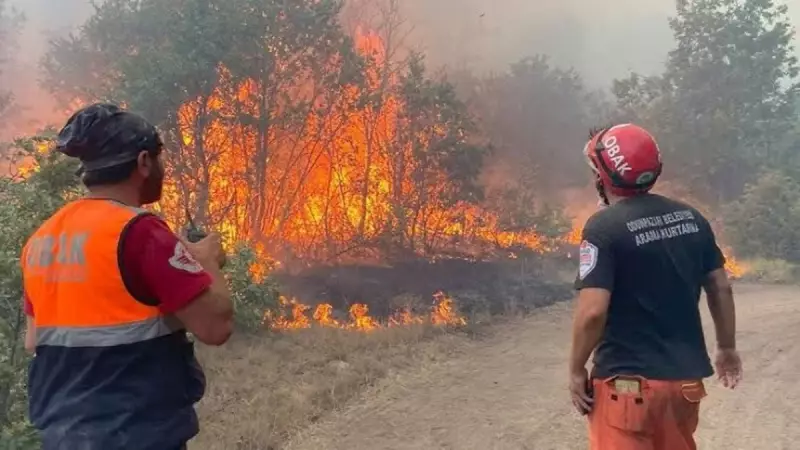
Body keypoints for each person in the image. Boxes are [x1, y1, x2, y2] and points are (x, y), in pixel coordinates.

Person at [21, 103, 234, 450]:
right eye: (159, 158)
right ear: (144, 163)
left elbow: (35, 339)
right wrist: (208, 261)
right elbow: (216, 328)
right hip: (135, 434)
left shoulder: (42, 239)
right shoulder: (142, 233)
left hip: (63, 438)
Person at [567, 123, 742, 450]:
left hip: (627, 390)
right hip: (685, 386)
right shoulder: (691, 218)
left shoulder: (603, 229)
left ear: (602, 176)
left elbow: (592, 312)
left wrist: (577, 369)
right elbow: (720, 287)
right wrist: (727, 348)